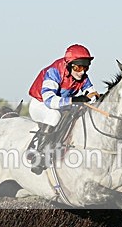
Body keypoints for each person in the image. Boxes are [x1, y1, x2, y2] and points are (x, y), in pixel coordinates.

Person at [27, 44, 99, 174]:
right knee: (54, 115)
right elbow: (49, 101)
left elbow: (92, 95)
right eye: (78, 67)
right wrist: (75, 100)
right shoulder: (54, 72)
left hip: (60, 107)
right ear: (69, 64)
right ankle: (40, 155)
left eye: (85, 67)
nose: (82, 72)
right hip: (40, 104)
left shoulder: (82, 77)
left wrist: (98, 98)